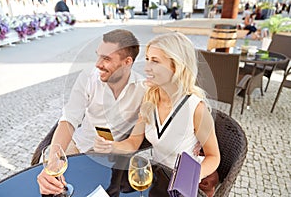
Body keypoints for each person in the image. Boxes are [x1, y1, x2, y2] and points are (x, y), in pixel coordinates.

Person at [94, 32, 220, 190]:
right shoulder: (149, 99)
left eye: (155, 61)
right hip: (159, 179)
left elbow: (214, 156)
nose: (146, 68)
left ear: (176, 67)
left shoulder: (196, 108)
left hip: (184, 185)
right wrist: (112, 146)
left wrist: (192, 176)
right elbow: (134, 142)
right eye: (147, 59)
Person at [37, 29, 145, 195]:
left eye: (106, 58)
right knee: (49, 181)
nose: (98, 64)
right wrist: (53, 162)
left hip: (113, 157)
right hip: (79, 145)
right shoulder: (88, 77)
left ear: (127, 62)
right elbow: (69, 120)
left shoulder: (143, 89)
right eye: (99, 56)